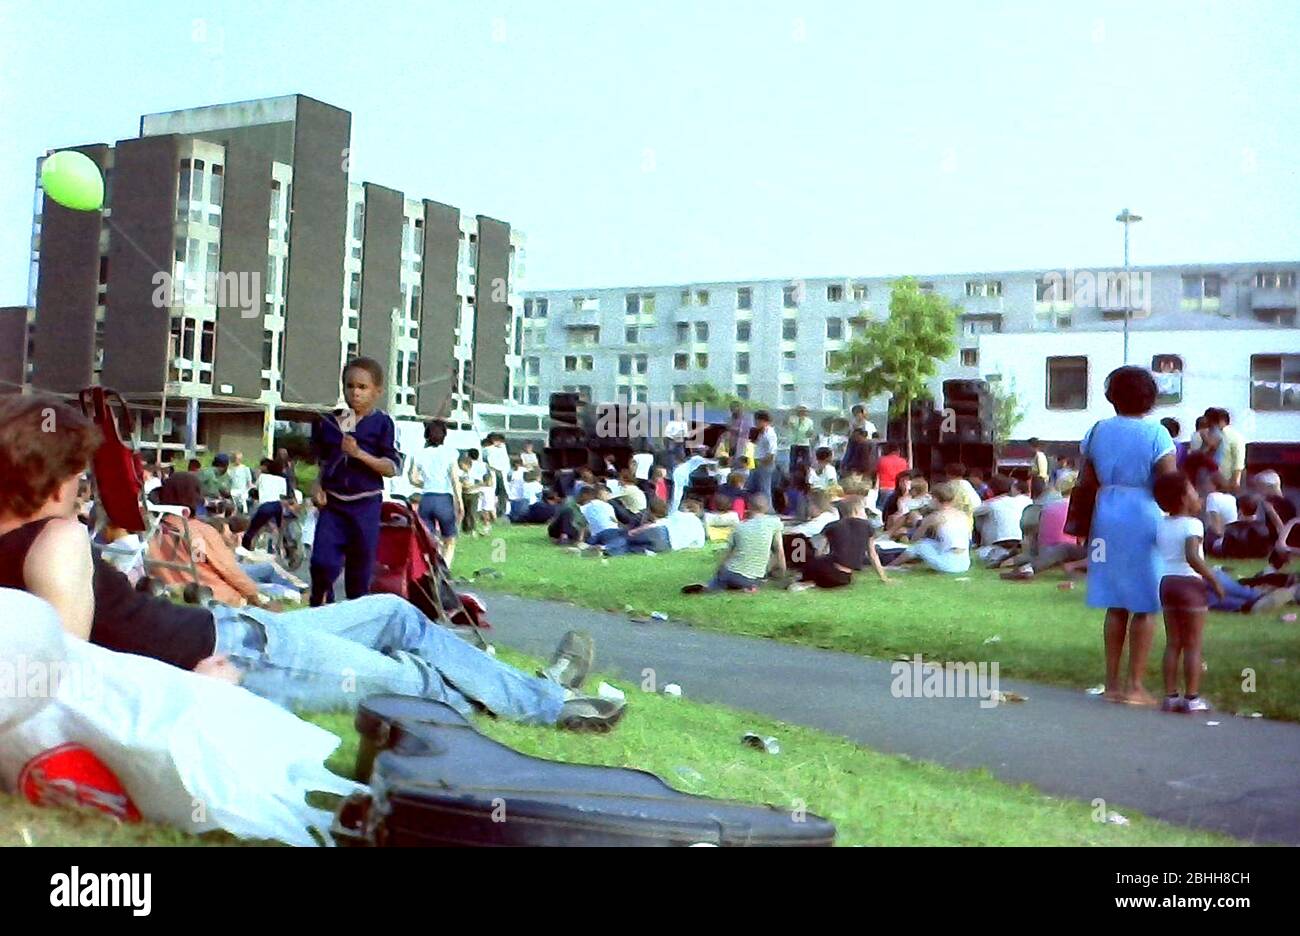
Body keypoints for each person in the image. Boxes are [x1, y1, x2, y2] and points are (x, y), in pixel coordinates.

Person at [0, 394, 626, 732]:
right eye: (79, 477)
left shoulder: (31, 539)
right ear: (51, 474)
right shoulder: (55, 539)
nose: (83, 490)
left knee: (391, 612)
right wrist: (191, 694)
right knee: (408, 679)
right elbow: (70, 677)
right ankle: (549, 703)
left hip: (236, 632)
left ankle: (538, 691)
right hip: (236, 658)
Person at [1080, 366, 1177, 706]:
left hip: (1105, 514)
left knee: (1115, 601)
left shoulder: (1097, 432)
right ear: (1150, 398)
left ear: (1112, 396)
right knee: (1146, 602)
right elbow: (1169, 482)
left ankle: (1111, 683)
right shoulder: (1157, 435)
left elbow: (1086, 481)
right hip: (1143, 514)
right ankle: (1135, 686)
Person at [308, 357, 401, 606]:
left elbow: (391, 468)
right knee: (322, 563)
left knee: (359, 574)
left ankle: (355, 620)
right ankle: (319, 606)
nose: (355, 393)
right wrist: (316, 486)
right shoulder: (337, 420)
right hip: (334, 505)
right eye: (350, 386)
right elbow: (324, 461)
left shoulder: (382, 423)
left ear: (377, 392)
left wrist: (359, 453)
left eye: (362, 387)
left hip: (365, 505)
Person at [148, 473, 277, 608]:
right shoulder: (199, 531)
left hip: (175, 598)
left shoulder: (155, 530)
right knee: (274, 583)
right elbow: (228, 570)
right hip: (216, 599)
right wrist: (256, 598)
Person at [1152, 473, 1224, 713]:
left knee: (1173, 642)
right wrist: (1213, 580)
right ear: (1183, 499)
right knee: (1193, 644)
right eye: (1193, 491)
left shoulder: (1162, 523)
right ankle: (1192, 698)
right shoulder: (1193, 524)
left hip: (1167, 583)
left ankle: (1170, 696)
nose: (1198, 496)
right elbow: (1192, 556)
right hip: (1189, 585)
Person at [683, 495, 784, 593]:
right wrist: (781, 572)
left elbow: (727, 554)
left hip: (729, 572)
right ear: (766, 507)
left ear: (748, 507)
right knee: (752, 580)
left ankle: (711, 586)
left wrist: (718, 571)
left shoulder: (739, 527)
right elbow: (779, 551)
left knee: (720, 582)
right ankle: (743, 588)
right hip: (751, 577)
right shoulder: (774, 523)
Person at [793, 494, 892, 590]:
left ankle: (804, 580)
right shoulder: (868, 527)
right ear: (856, 510)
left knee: (802, 546)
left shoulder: (832, 526)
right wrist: (884, 577)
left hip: (827, 572)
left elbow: (819, 551)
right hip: (845, 578)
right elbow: (873, 555)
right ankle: (811, 582)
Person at [408, 418, 463, 566]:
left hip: (426, 498)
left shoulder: (419, 454)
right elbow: (455, 480)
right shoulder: (451, 453)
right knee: (449, 539)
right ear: (444, 435)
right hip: (444, 498)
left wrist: (426, 482)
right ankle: (445, 569)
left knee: (429, 539)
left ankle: (431, 568)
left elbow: (412, 478)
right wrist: (460, 503)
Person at [897, 483, 972, 574]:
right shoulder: (962, 514)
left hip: (949, 565)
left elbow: (914, 539)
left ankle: (891, 565)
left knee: (919, 545)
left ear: (936, 499)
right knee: (930, 542)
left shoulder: (935, 517)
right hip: (965, 563)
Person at [973, 475, 1032, 565]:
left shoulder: (991, 504)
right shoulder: (1026, 500)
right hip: (1021, 540)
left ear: (990, 490)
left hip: (997, 543)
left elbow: (973, 511)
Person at [1206, 408, 1246, 488]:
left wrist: (1235, 481)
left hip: (1225, 481)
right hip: (1219, 480)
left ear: (1221, 420)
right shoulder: (1235, 436)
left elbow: (1238, 461)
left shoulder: (1230, 436)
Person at [747, 411, 778, 503]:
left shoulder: (770, 434)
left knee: (764, 488)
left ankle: (767, 508)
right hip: (754, 462)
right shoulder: (757, 432)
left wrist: (761, 463)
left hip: (765, 464)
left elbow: (772, 453)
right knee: (753, 487)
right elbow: (751, 447)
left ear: (765, 421)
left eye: (758, 421)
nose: (756, 423)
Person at [670, 450, 716, 514]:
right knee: (677, 496)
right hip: (680, 484)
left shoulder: (693, 465)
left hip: (685, 488)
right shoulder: (684, 468)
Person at [483, 433, 513, 516]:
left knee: (503, 492)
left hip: (502, 472)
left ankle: (501, 511)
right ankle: (490, 511)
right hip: (492, 472)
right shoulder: (487, 449)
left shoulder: (503, 448)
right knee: (491, 492)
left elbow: (506, 461)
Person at [786, 405, 816, 472]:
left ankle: (808, 476)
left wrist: (810, 434)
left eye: (803, 411)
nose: (802, 413)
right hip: (794, 443)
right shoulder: (792, 419)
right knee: (793, 463)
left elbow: (811, 431)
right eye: (800, 411)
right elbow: (789, 425)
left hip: (805, 443)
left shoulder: (809, 421)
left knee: (807, 462)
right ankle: (792, 476)